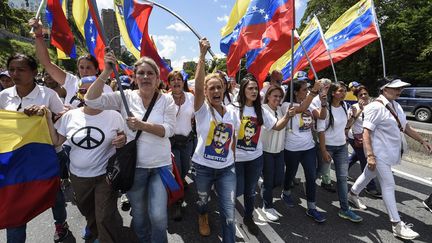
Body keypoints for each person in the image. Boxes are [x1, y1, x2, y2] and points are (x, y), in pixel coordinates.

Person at [85, 50, 176, 243]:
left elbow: (169, 130)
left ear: (158, 78)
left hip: (161, 167)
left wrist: (142, 125)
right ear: (134, 78)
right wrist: (106, 73)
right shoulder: (125, 96)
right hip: (134, 168)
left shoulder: (167, 99)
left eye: (150, 73)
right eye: (140, 73)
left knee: (158, 216)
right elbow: (91, 100)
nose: (145, 77)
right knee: (140, 216)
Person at [348, 77, 432, 240]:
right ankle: (396, 224)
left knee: (368, 174)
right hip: (379, 153)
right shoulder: (374, 107)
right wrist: (370, 155)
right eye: (395, 88)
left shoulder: (397, 106)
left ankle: (352, 194)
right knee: (389, 184)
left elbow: (405, 127)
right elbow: (366, 132)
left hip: (390, 152)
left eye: (400, 88)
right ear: (384, 89)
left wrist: (422, 141)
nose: (399, 91)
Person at [0, 54, 70, 243]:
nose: (15, 74)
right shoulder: (3, 96)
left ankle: (60, 223)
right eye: (12, 69)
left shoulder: (48, 95)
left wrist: (45, 114)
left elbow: (64, 118)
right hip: (13, 160)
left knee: (53, 195)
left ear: (33, 72)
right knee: (15, 209)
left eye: (21, 69)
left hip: (45, 156)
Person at [44, 90, 127, 243]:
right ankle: (97, 235)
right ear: (80, 94)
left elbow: (123, 137)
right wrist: (49, 118)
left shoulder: (114, 116)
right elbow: (57, 141)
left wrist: (122, 139)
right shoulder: (70, 116)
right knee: (87, 211)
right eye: (84, 91)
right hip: (78, 177)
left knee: (104, 216)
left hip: (105, 175)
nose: (90, 94)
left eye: (96, 91)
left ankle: (106, 239)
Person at [191, 39, 239, 242]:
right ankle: (203, 216)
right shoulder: (202, 111)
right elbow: (198, 90)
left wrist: (233, 160)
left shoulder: (233, 113)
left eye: (219, 87)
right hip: (202, 168)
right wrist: (202, 56)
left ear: (224, 89)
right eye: (211, 88)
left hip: (226, 170)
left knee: (229, 213)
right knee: (203, 201)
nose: (216, 91)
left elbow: (233, 140)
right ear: (206, 91)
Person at [233, 74, 292, 235]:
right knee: (237, 190)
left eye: (255, 88)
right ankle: (229, 216)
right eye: (250, 88)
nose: (253, 91)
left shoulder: (260, 110)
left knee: (250, 191)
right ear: (243, 90)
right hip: (236, 160)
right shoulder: (234, 108)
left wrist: (287, 116)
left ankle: (248, 217)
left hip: (255, 159)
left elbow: (276, 126)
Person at [29, 18, 112, 108]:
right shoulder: (72, 82)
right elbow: (46, 63)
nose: (84, 71)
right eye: (81, 67)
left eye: (88, 68)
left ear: (96, 70)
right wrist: (38, 35)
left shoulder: (106, 89)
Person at [280, 79, 327, 223]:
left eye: (308, 89)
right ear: (295, 92)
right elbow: (299, 109)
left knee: (311, 177)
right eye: (304, 89)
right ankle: (286, 192)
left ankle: (312, 208)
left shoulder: (310, 103)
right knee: (291, 172)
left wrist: (323, 102)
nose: (307, 91)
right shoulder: (286, 105)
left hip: (308, 147)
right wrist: (313, 92)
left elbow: (322, 116)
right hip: (292, 148)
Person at [317, 81, 363, 223]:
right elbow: (321, 130)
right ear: (333, 93)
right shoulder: (325, 108)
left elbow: (346, 127)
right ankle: (310, 196)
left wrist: (355, 116)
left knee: (342, 178)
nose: (343, 93)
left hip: (342, 147)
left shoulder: (344, 106)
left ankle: (345, 209)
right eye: (340, 91)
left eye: (344, 91)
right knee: (318, 172)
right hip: (327, 146)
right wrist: (324, 150)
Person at [167, 70, 195, 221]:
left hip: (188, 142)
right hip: (171, 143)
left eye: (179, 79)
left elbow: (198, 114)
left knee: (185, 168)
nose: (176, 82)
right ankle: (176, 202)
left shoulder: (191, 97)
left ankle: (181, 182)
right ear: (169, 83)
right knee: (176, 170)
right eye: (173, 80)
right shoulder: (164, 99)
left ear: (183, 82)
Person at [345, 85, 380, 202]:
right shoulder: (353, 108)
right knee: (365, 161)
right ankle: (370, 187)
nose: (364, 96)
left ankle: (343, 171)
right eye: (361, 95)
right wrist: (359, 110)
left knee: (355, 157)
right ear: (356, 97)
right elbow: (349, 124)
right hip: (357, 139)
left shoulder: (374, 106)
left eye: (365, 94)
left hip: (370, 139)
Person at [260, 85, 286, 221]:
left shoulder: (281, 110)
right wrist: (288, 116)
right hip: (267, 151)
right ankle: (267, 206)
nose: (277, 98)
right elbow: (276, 126)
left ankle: (263, 187)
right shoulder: (263, 110)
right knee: (269, 181)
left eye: (279, 96)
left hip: (279, 151)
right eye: (274, 95)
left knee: (278, 179)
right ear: (268, 96)